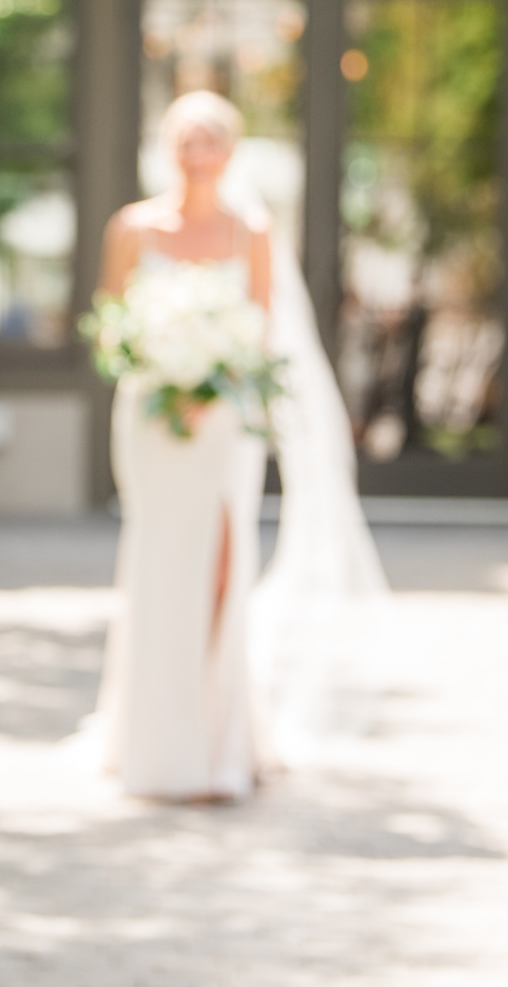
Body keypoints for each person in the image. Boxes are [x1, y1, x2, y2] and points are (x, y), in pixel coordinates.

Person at [92, 90, 387, 801]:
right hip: (155, 421)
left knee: (219, 565)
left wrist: (208, 372)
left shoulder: (250, 230)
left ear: (231, 150)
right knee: (158, 564)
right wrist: (160, 361)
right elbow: (109, 326)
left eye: (211, 140)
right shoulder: (133, 227)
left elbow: (257, 331)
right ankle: (149, 737)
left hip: (221, 424)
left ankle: (220, 734)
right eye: (186, 140)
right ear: (168, 147)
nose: (198, 154)